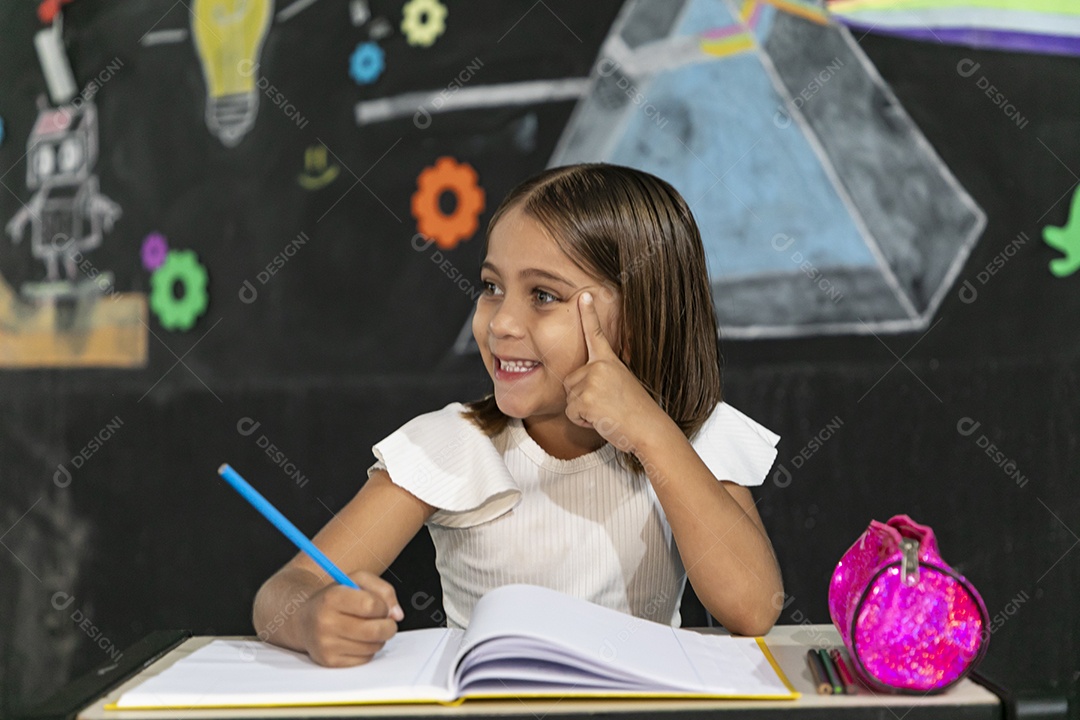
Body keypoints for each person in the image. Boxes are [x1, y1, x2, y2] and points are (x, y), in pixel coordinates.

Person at [252, 163, 784, 667]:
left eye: (543, 295)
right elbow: (284, 589)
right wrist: (313, 617)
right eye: (491, 287)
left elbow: (753, 607)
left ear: (643, 312)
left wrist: (649, 431)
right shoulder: (453, 445)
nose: (501, 322)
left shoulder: (690, 439)